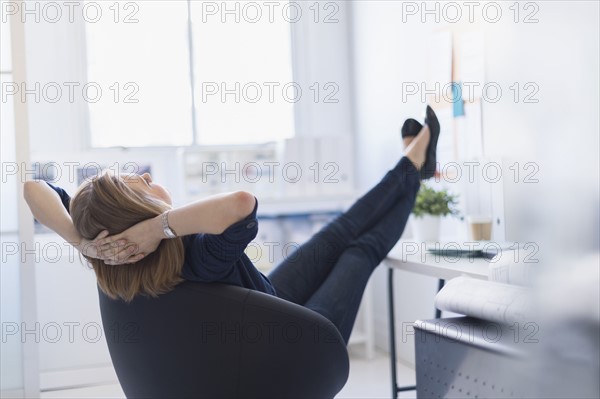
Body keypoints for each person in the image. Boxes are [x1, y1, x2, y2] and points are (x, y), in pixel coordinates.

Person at [24, 106, 440, 345]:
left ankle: (413, 166)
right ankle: (414, 166)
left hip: (268, 308)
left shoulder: (113, 258)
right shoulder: (197, 255)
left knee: (336, 232)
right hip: (301, 344)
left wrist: (80, 242)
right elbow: (242, 203)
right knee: (358, 248)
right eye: (144, 185)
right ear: (142, 214)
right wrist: (157, 229)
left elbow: (33, 187)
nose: (152, 179)